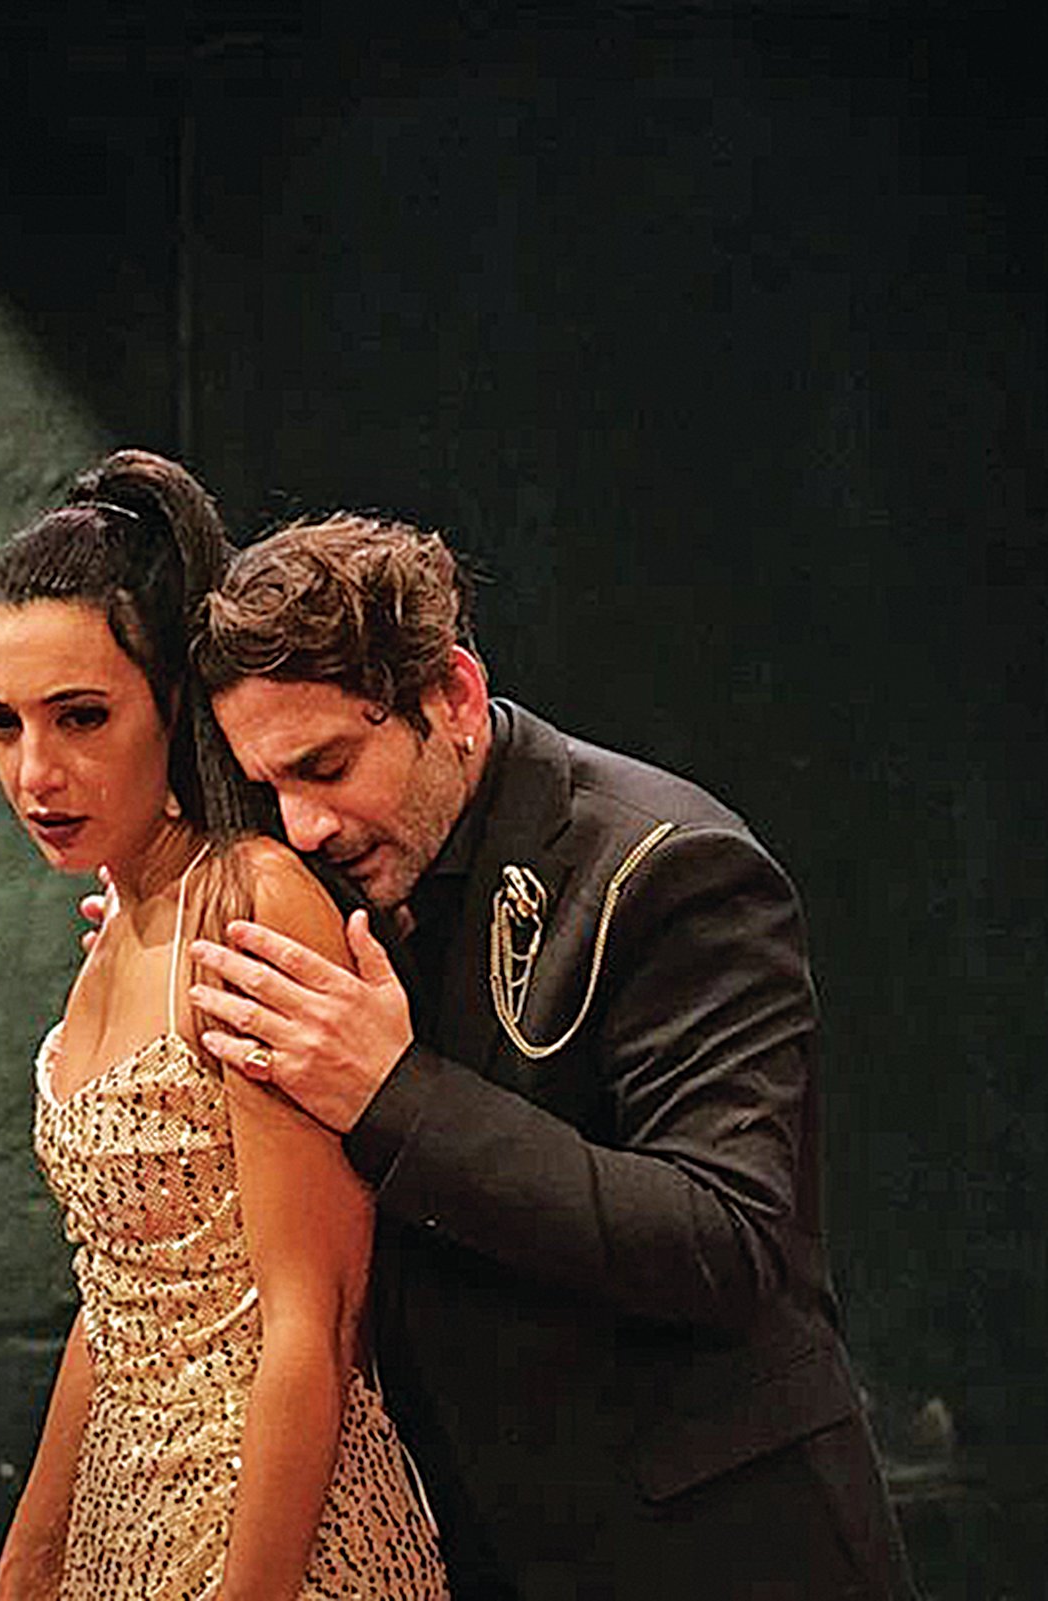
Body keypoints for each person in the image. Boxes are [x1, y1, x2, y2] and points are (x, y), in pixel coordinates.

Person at [185, 514, 918, 1599]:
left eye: (326, 766)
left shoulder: (674, 866)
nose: (303, 825)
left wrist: (395, 1094)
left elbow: (725, 1238)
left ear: (454, 697)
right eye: (268, 787)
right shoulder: (338, 874)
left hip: (723, 1552)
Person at [0, 454, 447, 1601]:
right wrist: (29, 1561)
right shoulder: (115, 930)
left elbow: (311, 1323)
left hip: (283, 1535)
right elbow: (115, 1300)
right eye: (1, 722)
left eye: (82, 716)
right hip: (123, 1523)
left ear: (174, 705)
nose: (35, 771)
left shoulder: (251, 900)